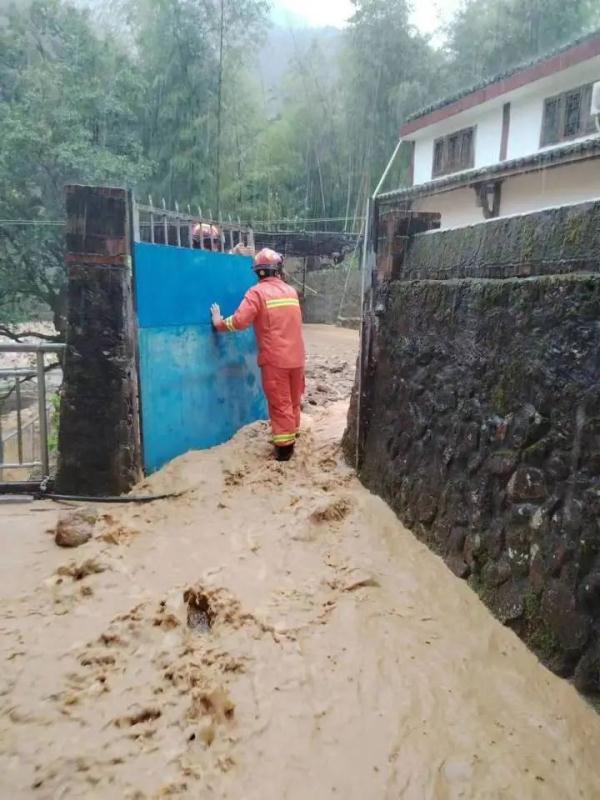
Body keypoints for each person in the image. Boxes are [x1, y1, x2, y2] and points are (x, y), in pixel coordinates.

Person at [210, 248, 306, 462]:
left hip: (275, 360)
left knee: (279, 403)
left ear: (257, 272)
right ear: (278, 269)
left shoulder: (256, 293)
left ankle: (284, 451)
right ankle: (293, 435)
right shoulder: (291, 292)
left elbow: (240, 321)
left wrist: (218, 323)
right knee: (292, 401)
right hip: (297, 358)